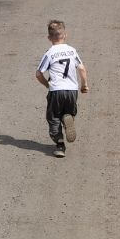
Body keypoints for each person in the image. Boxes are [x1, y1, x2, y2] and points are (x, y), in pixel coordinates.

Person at [35, 19, 90, 157]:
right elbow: (82, 69)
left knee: (53, 117)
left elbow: (38, 74)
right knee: (69, 111)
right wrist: (84, 85)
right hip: (72, 89)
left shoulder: (50, 53)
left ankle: (60, 145)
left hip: (56, 90)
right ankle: (68, 116)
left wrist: (47, 85)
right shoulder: (72, 51)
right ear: (65, 35)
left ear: (49, 38)